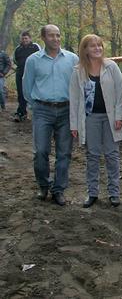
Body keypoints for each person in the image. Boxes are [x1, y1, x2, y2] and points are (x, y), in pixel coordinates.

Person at [23, 24, 78, 206]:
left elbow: (78, 84)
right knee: (41, 151)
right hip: (42, 110)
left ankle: (58, 189)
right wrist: (35, 106)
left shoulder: (72, 59)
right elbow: (27, 86)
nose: (56, 39)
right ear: (43, 38)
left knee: (64, 153)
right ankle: (43, 186)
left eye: (58, 35)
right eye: (52, 36)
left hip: (66, 109)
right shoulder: (33, 60)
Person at [69, 34, 122, 208]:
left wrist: (119, 116)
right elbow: (75, 99)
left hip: (110, 118)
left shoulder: (111, 67)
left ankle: (114, 193)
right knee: (92, 155)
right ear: (85, 49)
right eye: (92, 46)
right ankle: (92, 193)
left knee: (112, 155)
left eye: (99, 45)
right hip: (90, 118)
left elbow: (120, 93)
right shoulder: (78, 71)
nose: (97, 49)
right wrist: (74, 125)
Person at [13, 31, 41, 121]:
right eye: (23, 38)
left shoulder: (35, 47)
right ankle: (21, 112)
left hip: (33, 74)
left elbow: (40, 58)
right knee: (21, 93)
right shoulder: (18, 49)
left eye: (26, 38)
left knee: (34, 92)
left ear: (30, 38)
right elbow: (15, 60)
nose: (24, 40)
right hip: (20, 73)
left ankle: (37, 113)